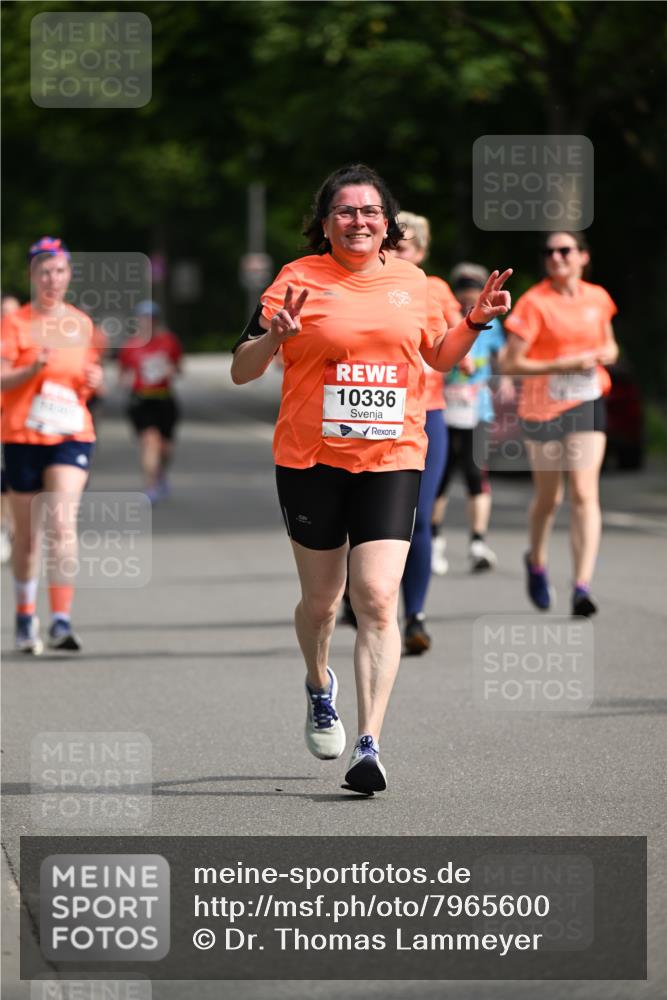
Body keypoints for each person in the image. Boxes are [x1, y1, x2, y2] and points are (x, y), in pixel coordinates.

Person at [231, 163, 512, 793]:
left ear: (387, 223)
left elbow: (437, 357)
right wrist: (271, 337)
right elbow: (242, 371)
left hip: (392, 456)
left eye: (370, 212)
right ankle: (317, 681)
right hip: (310, 459)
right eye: (346, 212)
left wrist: (473, 322)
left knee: (379, 597)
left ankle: (369, 744)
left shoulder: (413, 282)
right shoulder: (295, 279)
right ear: (325, 222)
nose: (359, 221)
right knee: (323, 602)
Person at [501, 231, 619, 616]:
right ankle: (536, 561)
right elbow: (509, 363)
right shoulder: (535, 303)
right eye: (549, 251)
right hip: (542, 407)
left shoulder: (597, 297)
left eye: (565, 250)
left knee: (585, 492)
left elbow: (611, 344)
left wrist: (604, 353)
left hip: (586, 399)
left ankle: (581, 586)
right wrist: (562, 365)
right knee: (550, 497)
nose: (556, 257)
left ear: (583, 257)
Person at [0, 237, 103, 652]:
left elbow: (88, 378)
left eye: (59, 270)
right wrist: (32, 368)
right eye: (44, 271)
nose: (52, 278)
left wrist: (97, 382)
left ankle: (61, 621)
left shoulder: (81, 324)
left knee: (61, 523)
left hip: (70, 433)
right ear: (32, 275)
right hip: (22, 434)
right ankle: (26, 617)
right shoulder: (14, 323)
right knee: (27, 535)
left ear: (68, 276)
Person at [390, 212, 462, 654]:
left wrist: (467, 348)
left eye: (409, 246)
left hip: (426, 411)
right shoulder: (362, 282)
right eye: (394, 243)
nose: (400, 252)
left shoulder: (434, 290)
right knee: (357, 518)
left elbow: (456, 335)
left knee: (417, 518)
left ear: (423, 252)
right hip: (368, 417)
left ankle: (414, 615)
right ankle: (358, 594)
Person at [431, 262, 514, 575]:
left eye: (473, 288)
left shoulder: (492, 324)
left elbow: (502, 357)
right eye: (463, 289)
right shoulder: (443, 320)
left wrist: (504, 379)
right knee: (440, 476)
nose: (468, 294)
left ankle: (478, 543)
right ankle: (435, 541)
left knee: (475, 475)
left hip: (478, 409)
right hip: (444, 406)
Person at [117, 300, 183, 503]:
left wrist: (168, 370)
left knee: (166, 448)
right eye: (144, 320)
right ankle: (150, 486)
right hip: (141, 401)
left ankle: (159, 473)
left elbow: (179, 368)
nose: (148, 324)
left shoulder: (169, 342)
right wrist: (127, 381)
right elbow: (122, 375)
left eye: (151, 320)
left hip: (164, 400)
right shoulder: (130, 346)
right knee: (150, 442)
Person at [1, 295, 21, 562]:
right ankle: (6, 528)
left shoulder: (29, 341)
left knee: (19, 482)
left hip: (24, 420)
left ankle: (18, 529)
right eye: (3, 311)